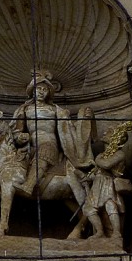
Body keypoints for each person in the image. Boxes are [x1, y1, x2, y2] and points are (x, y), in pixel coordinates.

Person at [10, 71, 94, 199]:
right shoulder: (25, 109)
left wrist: (84, 119)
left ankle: (28, 186)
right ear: (33, 91)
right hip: (30, 147)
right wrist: (19, 137)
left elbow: (69, 127)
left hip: (49, 143)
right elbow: (16, 131)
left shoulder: (55, 110)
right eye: (38, 88)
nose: (42, 91)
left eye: (45, 89)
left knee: (45, 150)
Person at [83, 120, 132, 240]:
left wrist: (97, 159)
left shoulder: (119, 154)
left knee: (110, 204)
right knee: (88, 208)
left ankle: (116, 233)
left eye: (109, 132)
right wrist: (89, 177)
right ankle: (99, 231)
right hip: (98, 182)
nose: (104, 132)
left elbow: (106, 165)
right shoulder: (103, 154)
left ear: (116, 138)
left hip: (108, 182)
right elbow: (99, 169)